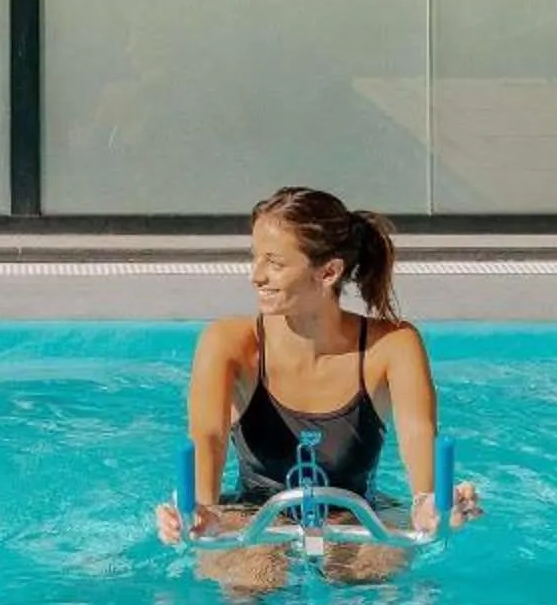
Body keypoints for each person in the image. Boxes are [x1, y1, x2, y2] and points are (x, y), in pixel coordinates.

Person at [154, 187, 479, 577]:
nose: (255, 275)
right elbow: (207, 436)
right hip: (250, 514)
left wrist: (431, 506)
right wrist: (200, 511)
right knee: (253, 579)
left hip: (358, 516)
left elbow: (418, 435)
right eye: (254, 257)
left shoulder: (393, 345)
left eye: (274, 262)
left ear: (328, 272)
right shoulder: (228, 343)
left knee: (369, 574)